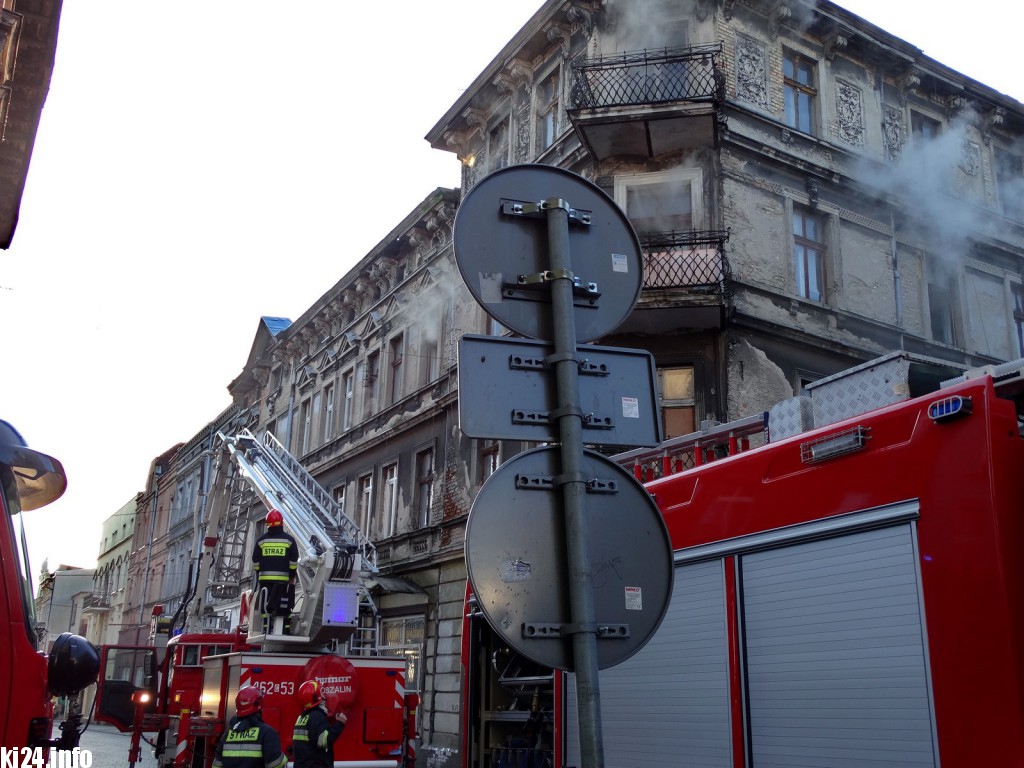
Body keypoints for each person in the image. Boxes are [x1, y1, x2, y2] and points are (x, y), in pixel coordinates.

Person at [212, 685, 287, 768]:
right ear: (259, 705)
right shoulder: (267, 733)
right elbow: (277, 765)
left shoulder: (227, 734)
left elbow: (216, 765)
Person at [252, 508, 299, 633]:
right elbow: (293, 561)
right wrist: (291, 575)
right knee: (284, 603)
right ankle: (285, 627)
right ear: (281, 522)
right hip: (283, 580)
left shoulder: (261, 541)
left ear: (267, 523)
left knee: (265, 603)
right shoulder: (289, 540)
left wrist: (258, 572)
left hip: (265, 580)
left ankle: (266, 626)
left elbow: (255, 560)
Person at [291, 679, 347, 768]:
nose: (324, 695)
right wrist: (340, 724)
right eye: (321, 693)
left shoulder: (302, 717)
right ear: (316, 697)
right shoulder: (316, 716)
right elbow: (323, 741)